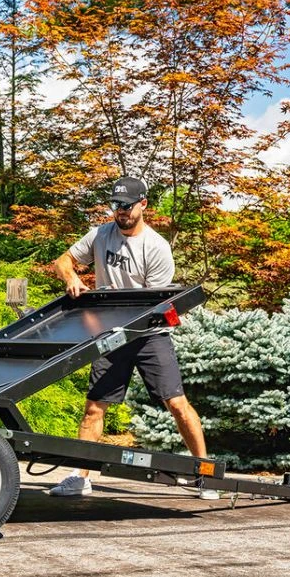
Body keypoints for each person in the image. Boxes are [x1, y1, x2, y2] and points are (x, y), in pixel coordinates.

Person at [49, 176, 218, 500]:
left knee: (177, 404)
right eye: (116, 205)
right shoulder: (100, 234)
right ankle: (80, 478)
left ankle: (205, 474)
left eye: (127, 205)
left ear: (143, 205)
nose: (121, 211)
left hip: (149, 334)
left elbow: (152, 306)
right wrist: (72, 277)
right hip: (111, 336)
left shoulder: (156, 247)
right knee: (94, 408)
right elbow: (63, 260)